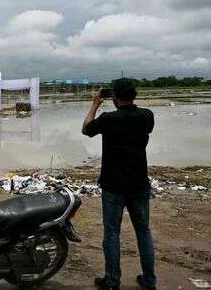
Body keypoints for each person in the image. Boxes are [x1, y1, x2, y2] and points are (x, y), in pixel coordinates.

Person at [81, 78, 156, 290]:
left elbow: (86, 129)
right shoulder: (147, 116)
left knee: (112, 233)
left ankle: (112, 281)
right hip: (139, 184)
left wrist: (95, 104)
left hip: (113, 186)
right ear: (134, 96)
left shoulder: (108, 119)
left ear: (114, 97)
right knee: (144, 232)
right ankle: (150, 281)